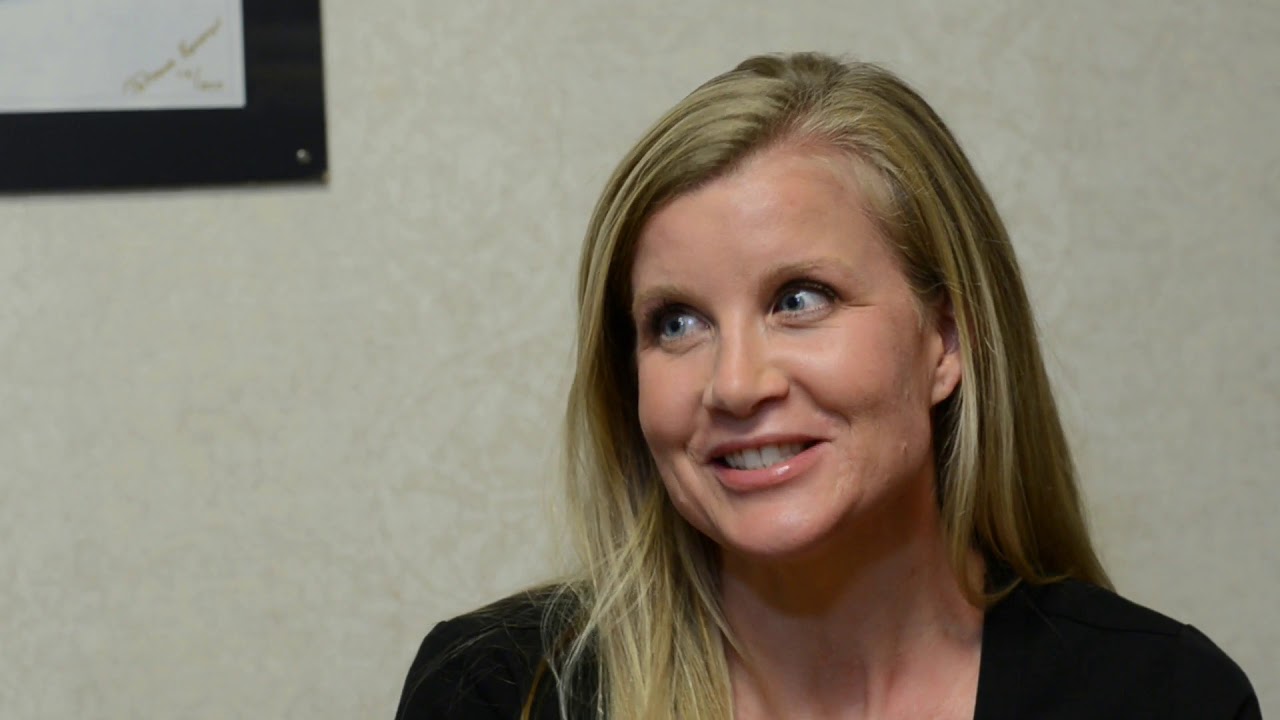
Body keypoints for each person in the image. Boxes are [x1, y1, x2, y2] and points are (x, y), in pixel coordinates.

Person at [395, 52, 1260, 719]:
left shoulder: (1164, 696)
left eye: (799, 299)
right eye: (676, 323)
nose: (733, 384)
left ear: (945, 341)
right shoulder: (500, 692)